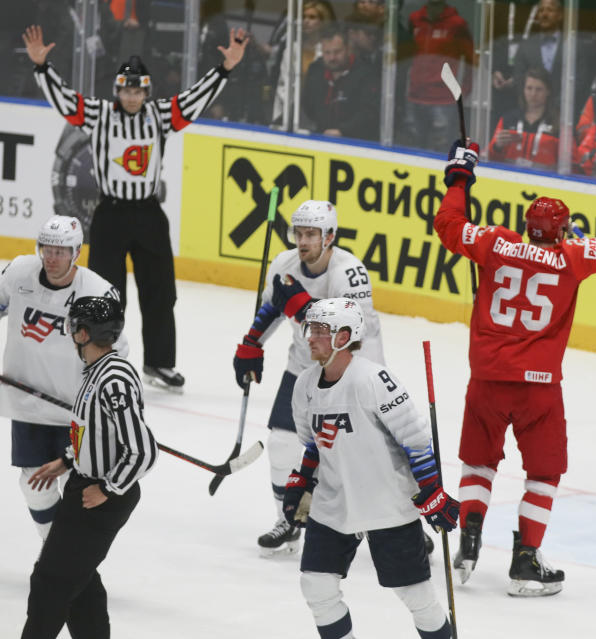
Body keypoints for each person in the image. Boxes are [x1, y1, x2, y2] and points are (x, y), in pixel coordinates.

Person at [435, 139, 596, 595]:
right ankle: (525, 560)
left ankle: (469, 538)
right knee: (543, 474)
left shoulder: (497, 244)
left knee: (478, 463)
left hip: (486, 380)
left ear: (527, 227)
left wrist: (459, 177)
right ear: (563, 231)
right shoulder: (571, 257)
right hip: (538, 390)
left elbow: (449, 225)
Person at [23, 23, 250, 392]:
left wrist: (225, 69)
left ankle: (159, 363)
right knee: (104, 294)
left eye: (138, 89)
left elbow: (194, 99)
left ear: (147, 91)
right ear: (117, 91)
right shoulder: (99, 115)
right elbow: (66, 101)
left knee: (160, 291)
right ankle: (100, 357)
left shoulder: (159, 116)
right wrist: (41, 67)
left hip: (149, 215)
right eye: (127, 90)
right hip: (110, 214)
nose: (132, 96)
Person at [287, 298, 457, 638]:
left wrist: (432, 492)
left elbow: (417, 440)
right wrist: (300, 482)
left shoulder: (373, 379)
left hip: (386, 503)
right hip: (334, 503)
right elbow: (314, 446)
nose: (310, 337)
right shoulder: (304, 385)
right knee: (316, 587)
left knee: (417, 596)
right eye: (310, 329)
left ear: (344, 336)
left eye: (320, 330)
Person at [232, 200, 386, 556]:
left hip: (354, 372)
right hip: (304, 366)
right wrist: (251, 343)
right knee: (282, 443)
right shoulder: (285, 264)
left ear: (329, 236)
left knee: (361, 458)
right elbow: (272, 306)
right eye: (298, 233)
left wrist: (301, 305)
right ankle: (288, 519)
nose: (303, 241)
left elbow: (353, 334)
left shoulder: (350, 272)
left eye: (311, 234)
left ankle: (398, 524)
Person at [21, 295, 158, 638]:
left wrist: (107, 489)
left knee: (50, 581)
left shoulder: (113, 379)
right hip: (84, 485)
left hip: (99, 495)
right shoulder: (97, 371)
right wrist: (67, 459)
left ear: (83, 333)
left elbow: (142, 451)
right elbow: (94, 430)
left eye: (73, 326)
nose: (70, 332)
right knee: (80, 579)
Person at [0, 216, 127, 543]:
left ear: (76, 253)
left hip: (78, 411)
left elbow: (117, 355)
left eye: (60, 251)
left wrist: (108, 401)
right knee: (33, 485)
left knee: (80, 489)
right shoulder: (18, 274)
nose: (52, 258)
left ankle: (69, 560)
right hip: (30, 406)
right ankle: (54, 553)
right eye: (47, 249)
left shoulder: (98, 292)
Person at [404, 0, 475, 152]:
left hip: (443, 100)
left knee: (442, 151)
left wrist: (464, 90)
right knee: (413, 150)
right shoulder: (415, 19)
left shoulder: (457, 24)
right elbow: (408, 54)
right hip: (415, 96)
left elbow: (470, 60)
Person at [302, 24, 379, 140]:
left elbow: (370, 112)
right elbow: (306, 104)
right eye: (327, 53)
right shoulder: (316, 70)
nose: (332, 58)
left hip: (356, 141)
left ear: (348, 49)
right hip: (320, 138)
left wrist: (343, 130)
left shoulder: (366, 74)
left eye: (337, 52)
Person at [272, 0, 336, 125]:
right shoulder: (292, 48)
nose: (306, 21)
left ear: (323, 21)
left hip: (319, 114)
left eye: (312, 17)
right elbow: (283, 84)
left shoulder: (329, 50)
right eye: (303, 17)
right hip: (290, 113)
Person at [487, 66, 559, 171]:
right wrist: (497, 146)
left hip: (546, 184)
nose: (533, 94)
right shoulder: (508, 119)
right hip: (508, 180)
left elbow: (570, 165)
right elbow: (489, 159)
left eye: (539, 89)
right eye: (529, 88)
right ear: (523, 90)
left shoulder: (558, 124)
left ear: (548, 91)